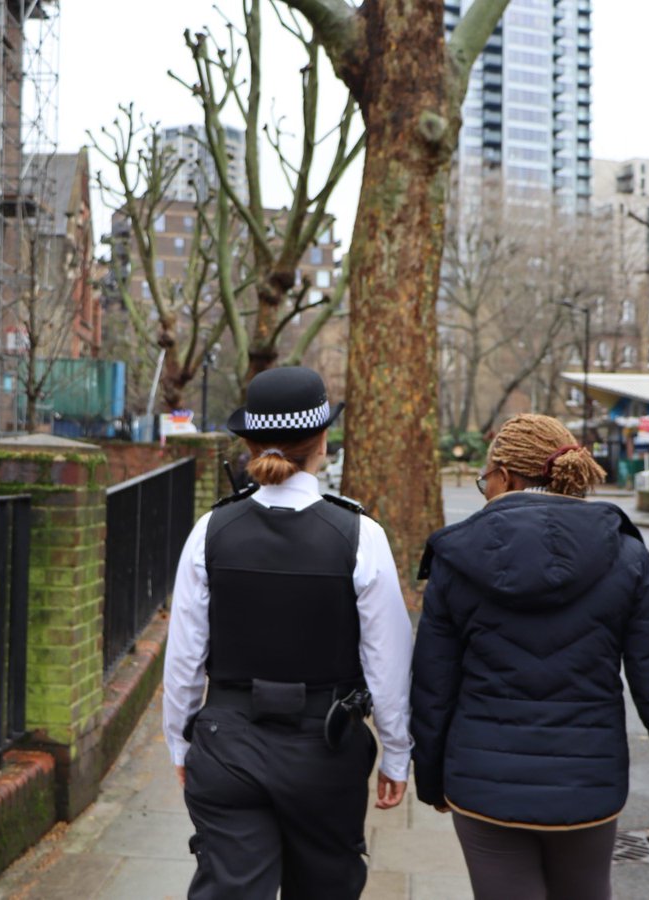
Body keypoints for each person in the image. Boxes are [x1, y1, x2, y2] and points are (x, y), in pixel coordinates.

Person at [411, 413, 649, 900]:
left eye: (485, 480)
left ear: (506, 477)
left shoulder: (455, 559)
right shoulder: (625, 556)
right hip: (588, 785)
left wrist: (431, 782)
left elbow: (432, 689)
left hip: (484, 784)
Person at [163, 366, 412, 900]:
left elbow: (184, 658)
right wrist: (396, 752)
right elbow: (388, 662)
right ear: (322, 441)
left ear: (249, 442)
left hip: (227, 747)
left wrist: (180, 745)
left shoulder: (210, 531)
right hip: (325, 749)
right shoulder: (360, 535)